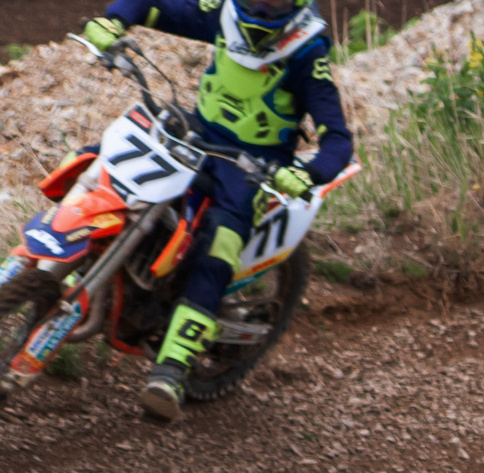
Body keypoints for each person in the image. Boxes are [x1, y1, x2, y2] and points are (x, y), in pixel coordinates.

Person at [80, 0, 354, 420]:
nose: (262, 6)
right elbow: (156, 7)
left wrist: (308, 173)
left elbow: (336, 137)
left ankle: (171, 370)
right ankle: (40, 264)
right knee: (99, 162)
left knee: (219, 246)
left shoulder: (306, 50)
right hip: (196, 134)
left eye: (275, 0)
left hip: (252, 167)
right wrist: (113, 20)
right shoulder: (225, 13)